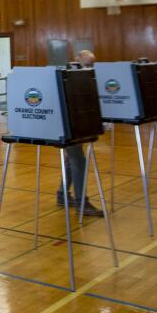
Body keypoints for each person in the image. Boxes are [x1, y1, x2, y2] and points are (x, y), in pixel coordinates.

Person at [58, 49, 104, 217]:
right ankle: (81, 203)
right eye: (88, 63)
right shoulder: (69, 76)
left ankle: (62, 195)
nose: (90, 66)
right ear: (78, 60)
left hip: (78, 125)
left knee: (71, 161)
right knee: (78, 161)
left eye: (92, 64)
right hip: (69, 126)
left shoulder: (81, 76)